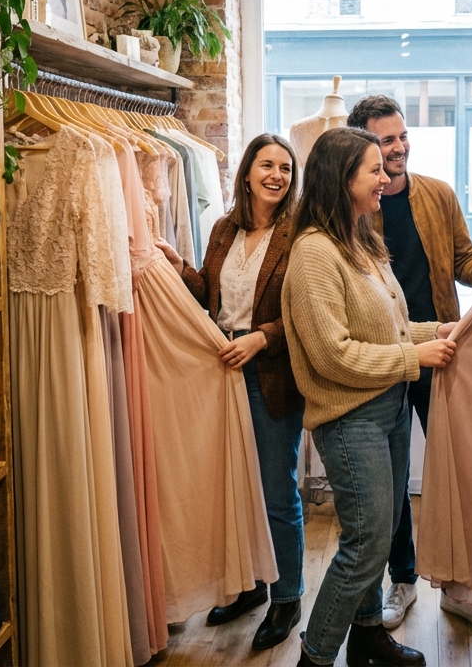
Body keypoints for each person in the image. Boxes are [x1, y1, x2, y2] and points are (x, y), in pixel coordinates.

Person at [282, 126, 457, 667]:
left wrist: (439, 333)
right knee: (366, 546)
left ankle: (367, 637)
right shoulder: (314, 254)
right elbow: (332, 354)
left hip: (388, 409)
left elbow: (393, 327)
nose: (386, 178)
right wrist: (415, 360)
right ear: (342, 180)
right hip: (350, 415)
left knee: (377, 538)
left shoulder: (359, 239)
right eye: (374, 170)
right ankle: (315, 656)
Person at [345, 95, 472, 634]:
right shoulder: (352, 208)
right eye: (386, 140)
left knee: (457, 472)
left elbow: (465, 262)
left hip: (437, 351)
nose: (399, 148)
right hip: (383, 358)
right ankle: (405, 580)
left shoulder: (436, 194)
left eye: (402, 135)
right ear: (364, 146)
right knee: (390, 482)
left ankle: (461, 589)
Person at [157, 133, 305, 651]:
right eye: (267, 165)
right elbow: (210, 296)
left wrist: (263, 338)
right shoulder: (223, 229)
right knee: (232, 485)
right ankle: (250, 585)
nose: (277, 176)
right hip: (220, 368)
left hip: (271, 370)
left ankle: (288, 595)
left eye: (285, 168)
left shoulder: (300, 234)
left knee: (274, 488)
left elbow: (308, 311)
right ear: (247, 173)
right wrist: (179, 271)